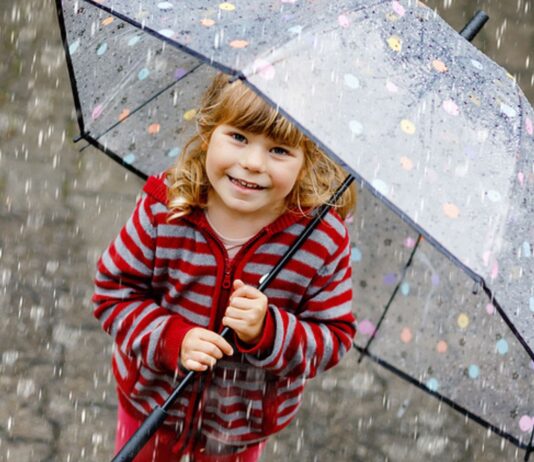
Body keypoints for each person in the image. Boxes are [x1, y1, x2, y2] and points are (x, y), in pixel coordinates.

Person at [92, 72, 357, 461]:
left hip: (241, 423)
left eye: (280, 150)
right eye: (238, 137)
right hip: (152, 400)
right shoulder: (165, 207)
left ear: (309, 159)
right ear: (208, 132)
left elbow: (332, 337)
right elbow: (113, 294)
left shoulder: (321, 241)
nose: (252, 163)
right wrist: (172, 339)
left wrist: (268, 330)